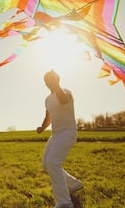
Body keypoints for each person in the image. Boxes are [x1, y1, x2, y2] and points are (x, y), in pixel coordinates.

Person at [36, 70, 83, 208]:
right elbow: (48, 117)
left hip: (68, 132)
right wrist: (42, 128)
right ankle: (74, 184)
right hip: (55, 134)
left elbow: (63, 100)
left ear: (58, 79)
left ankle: (64, 203)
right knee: (46, 164)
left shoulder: (66, 92)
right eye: (46, 80)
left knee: (53, 162)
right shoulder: (47, 99)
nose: (48, 82)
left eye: (51, 79)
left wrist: (56, 85)